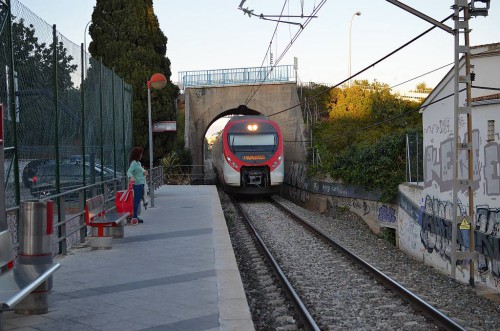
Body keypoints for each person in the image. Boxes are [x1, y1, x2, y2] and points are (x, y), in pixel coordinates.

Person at [127, 147, 148, 223]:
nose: (141, 155)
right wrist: (131, 177)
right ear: (137, 154)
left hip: (141, 183)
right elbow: (129, 172)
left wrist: (144, 172)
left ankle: (136, 215)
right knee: (136, 200)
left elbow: (140, 171)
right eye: (140, 154)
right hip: (137, 184)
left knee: (138, 200)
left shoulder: (138, 163)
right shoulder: (134, 163)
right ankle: (135, 216)